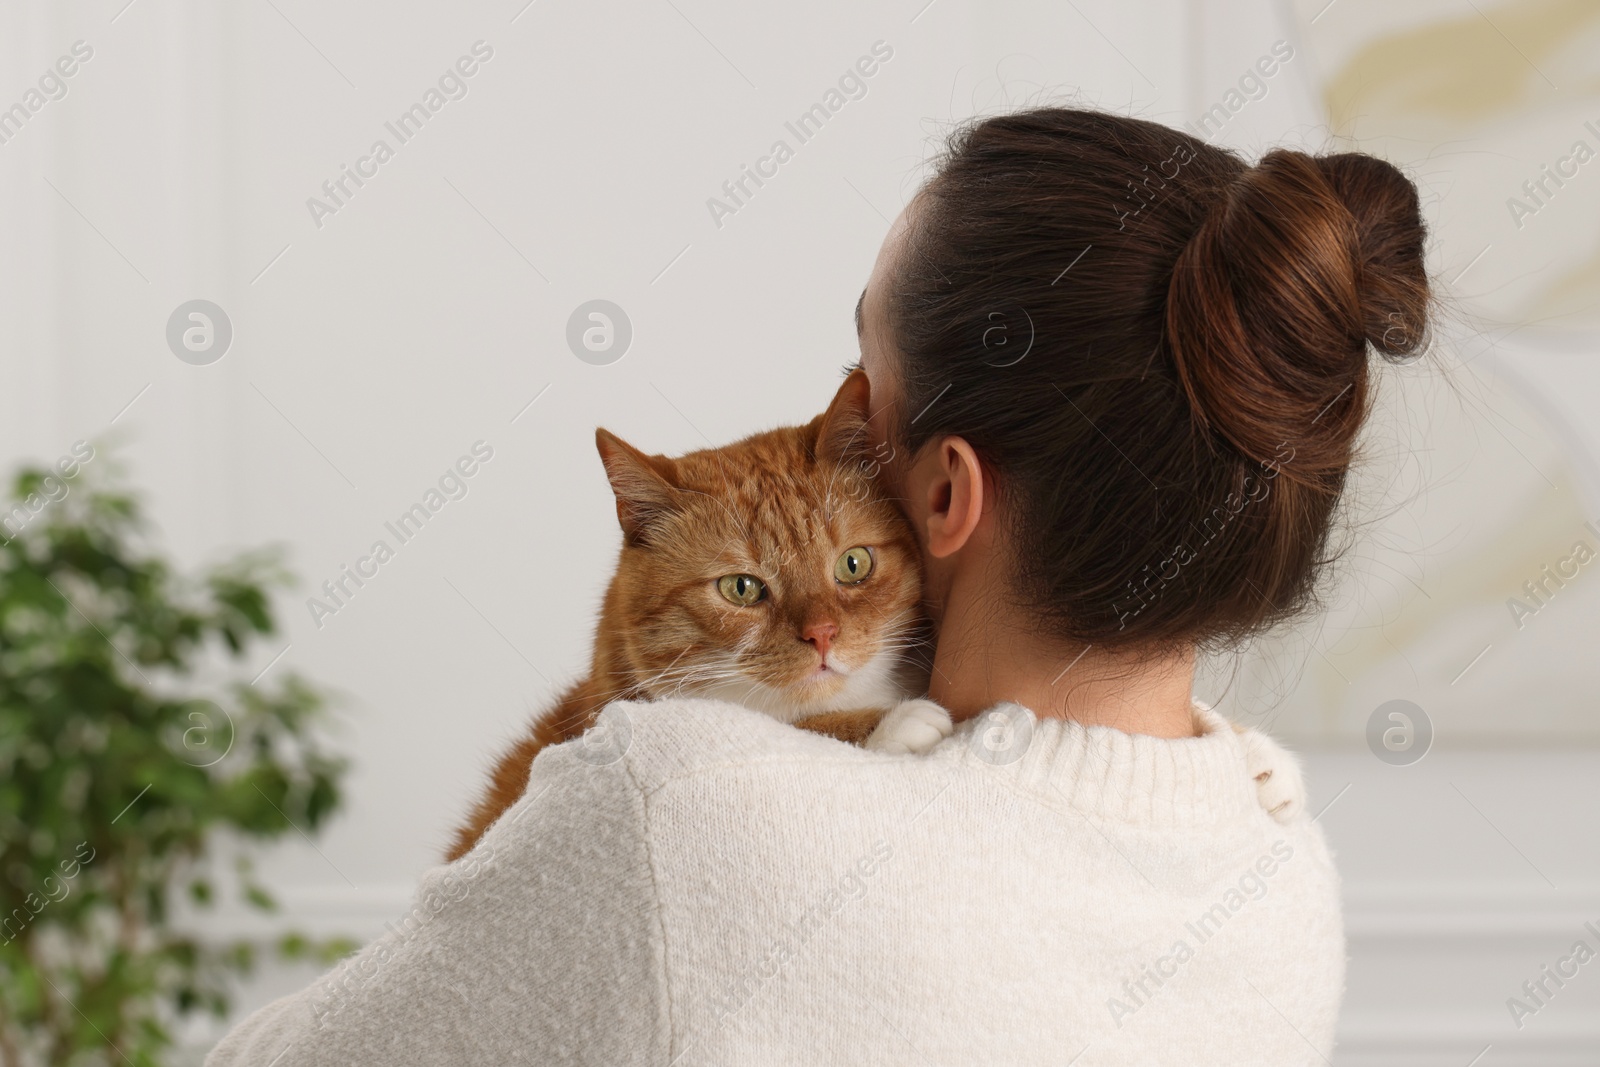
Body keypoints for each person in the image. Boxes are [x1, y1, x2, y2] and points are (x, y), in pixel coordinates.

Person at [205, 106, 1429, 1066]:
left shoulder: (684, 810)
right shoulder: (1278, 862)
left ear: (946, 495)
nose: (830, 418)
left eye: (863, 373)